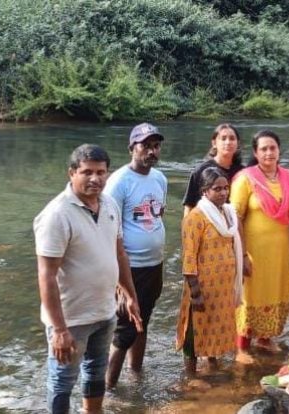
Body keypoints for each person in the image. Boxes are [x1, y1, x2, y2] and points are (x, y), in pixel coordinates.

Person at [34, 144, 142, 413]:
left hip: (104, 311)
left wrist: (130, 295)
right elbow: (46, 275)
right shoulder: (57, 214)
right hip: (72, 319)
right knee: (62, 381)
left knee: (95, 371)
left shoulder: (110, 204)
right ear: (72, 173)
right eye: (87, 172)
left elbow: (119, 253)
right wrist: (59, 330)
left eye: (101, 172)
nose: (95, 179)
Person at [104, 123, 167, 389]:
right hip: (130, 267)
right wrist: (120, 284)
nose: (151, 151)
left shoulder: (160, 179)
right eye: (145, 146)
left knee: (144, 320)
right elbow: (108, 231)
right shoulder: (119, 183)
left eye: (156, 146)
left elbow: (158, 215)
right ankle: (107, 390)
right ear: (132, 148)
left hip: (154, 264)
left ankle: (136, 376)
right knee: (124, 330)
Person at [230, 130, 289, 362]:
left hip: (280, 251)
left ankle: (265, 338)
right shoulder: (245, 179)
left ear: (279, 150)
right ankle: (242, 347)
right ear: (256, 153)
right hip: (253, 251)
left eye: (272, 148)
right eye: (264, 149)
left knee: (275, 291)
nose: (269, 152)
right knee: (250, 295)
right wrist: (242, 255)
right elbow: (235, 217)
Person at [176, 167, 243, 373]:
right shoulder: (195, 218)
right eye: (217, 189)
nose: (223, 193)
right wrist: (195, 293)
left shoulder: (228, 214)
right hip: (202, 286)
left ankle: (213, 365)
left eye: (226, 188)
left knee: (216, 325)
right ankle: (190, 375)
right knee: (195, 330)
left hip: (223, 286)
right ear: (205, 191)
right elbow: (189, 257)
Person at [182, 123, 245, 216]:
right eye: (223, 138)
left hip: (234, 222)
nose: (228, 142)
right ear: (214, 143)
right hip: (206, 222)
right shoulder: (201, 171)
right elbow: (189, 206)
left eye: (232, 138)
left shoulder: (243, 173)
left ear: (238, 143)